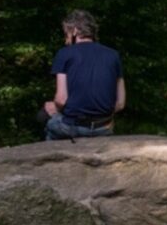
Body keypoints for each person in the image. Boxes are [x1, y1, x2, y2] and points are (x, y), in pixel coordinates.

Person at [44, 9, 125, 140]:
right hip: (103, 127)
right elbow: (120, 103)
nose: (66, 40)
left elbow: (61, 99)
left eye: (66, 34)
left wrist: (53, 107)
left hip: (73, 126)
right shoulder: (113, 55)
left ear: (74, 30)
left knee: (48, 121)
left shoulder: (64, 53)